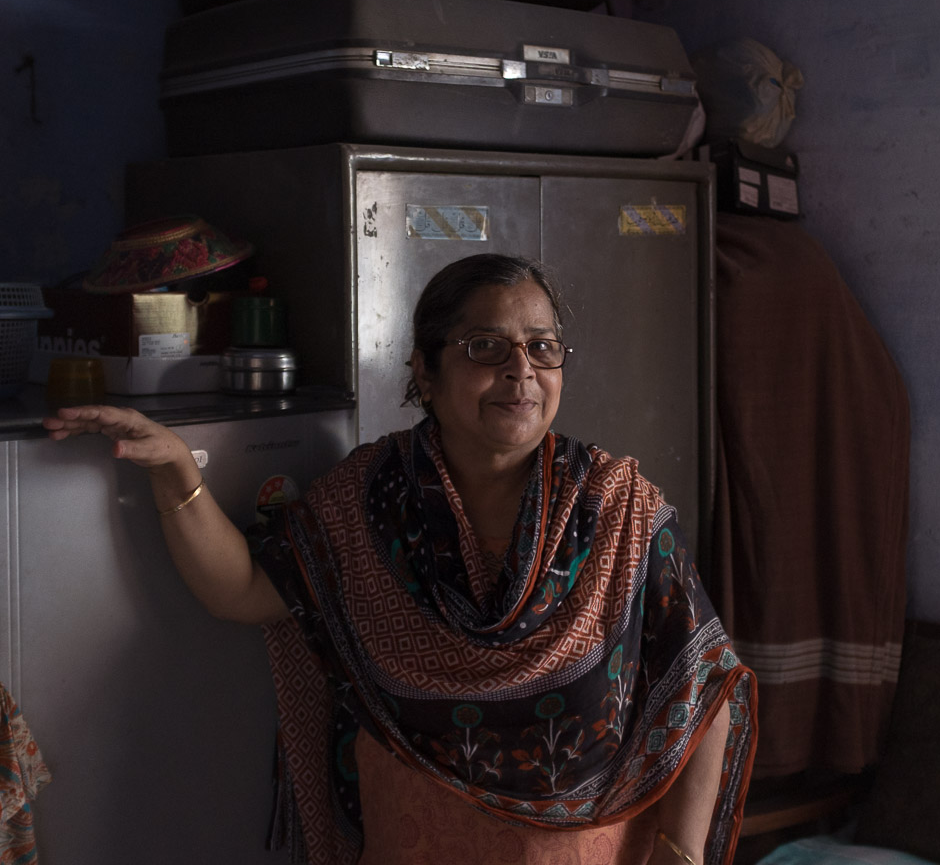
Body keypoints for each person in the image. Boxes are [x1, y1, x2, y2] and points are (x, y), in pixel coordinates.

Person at [43, 253, 756, 865]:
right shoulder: (370, 499)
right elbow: (244, 591)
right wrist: (176, 468)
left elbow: (703, 686)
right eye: (486, 347)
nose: (521, 372)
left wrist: (681, 856)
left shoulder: (617, 508)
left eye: (542, 347)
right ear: (426, 368)